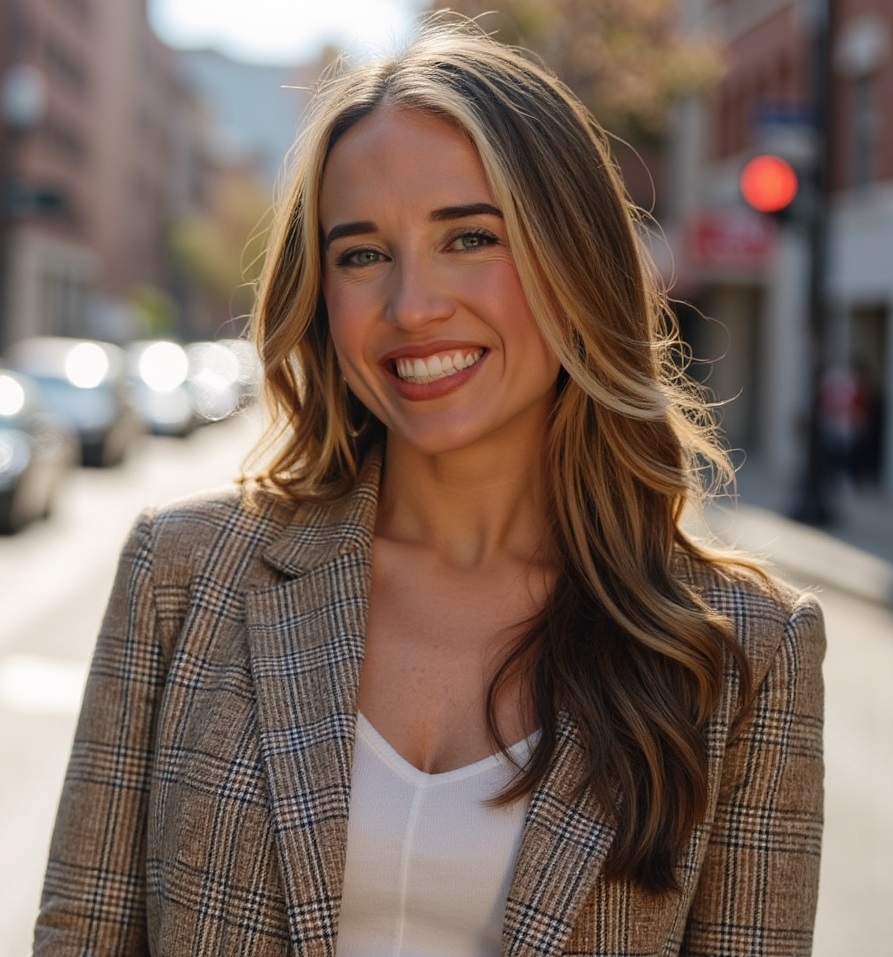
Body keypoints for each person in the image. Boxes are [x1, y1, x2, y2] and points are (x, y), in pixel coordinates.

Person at [32, 16, 825, 957]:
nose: (410, 305)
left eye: (470, 238)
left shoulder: (744, 652)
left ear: (571, 263)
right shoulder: (182, 574)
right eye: (361, 253)